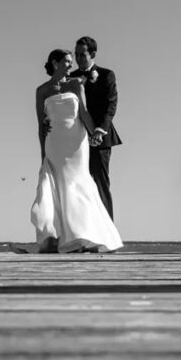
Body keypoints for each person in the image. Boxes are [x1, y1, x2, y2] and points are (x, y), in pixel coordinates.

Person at [30, 49, 123, 254]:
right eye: (67, 61)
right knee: (54, 186)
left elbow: (84, 113)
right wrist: (42, 154)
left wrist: (95, 134)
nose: (71, 65)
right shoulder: (42, 91)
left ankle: (84, 236)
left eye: (72, 61)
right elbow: (40, 124)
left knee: (77, 185)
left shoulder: (76, 84)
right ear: (55, 63)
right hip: (54, 143)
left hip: (76, 144)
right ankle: (59, 238)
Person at [69, 36, 121, 219]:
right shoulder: (70, 78)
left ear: (92, 54)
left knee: (100, 183)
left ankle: (107, 236)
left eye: (82, 54)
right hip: (76, 139)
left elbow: (111, 105)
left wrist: (101, 129)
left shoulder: (107, 75)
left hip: (101, 138)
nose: (78, 58)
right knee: (78, 185)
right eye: (76, 54)